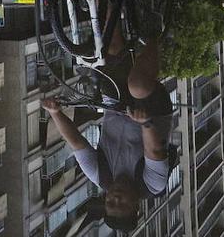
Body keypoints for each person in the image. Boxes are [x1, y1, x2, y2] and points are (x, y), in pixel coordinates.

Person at [43, 35, 173, 232]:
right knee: (137, 85)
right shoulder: (152, 185)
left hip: (115, 104)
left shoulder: (100, 176)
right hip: (152, 112)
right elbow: (154, 151)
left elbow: (76, 142)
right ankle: (155, 31)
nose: (116, 198)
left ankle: (112, 5)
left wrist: (55, 113)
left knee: (110, 50)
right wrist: (145, 123)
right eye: (122, 205)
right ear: (136, 206)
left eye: (111, 203)